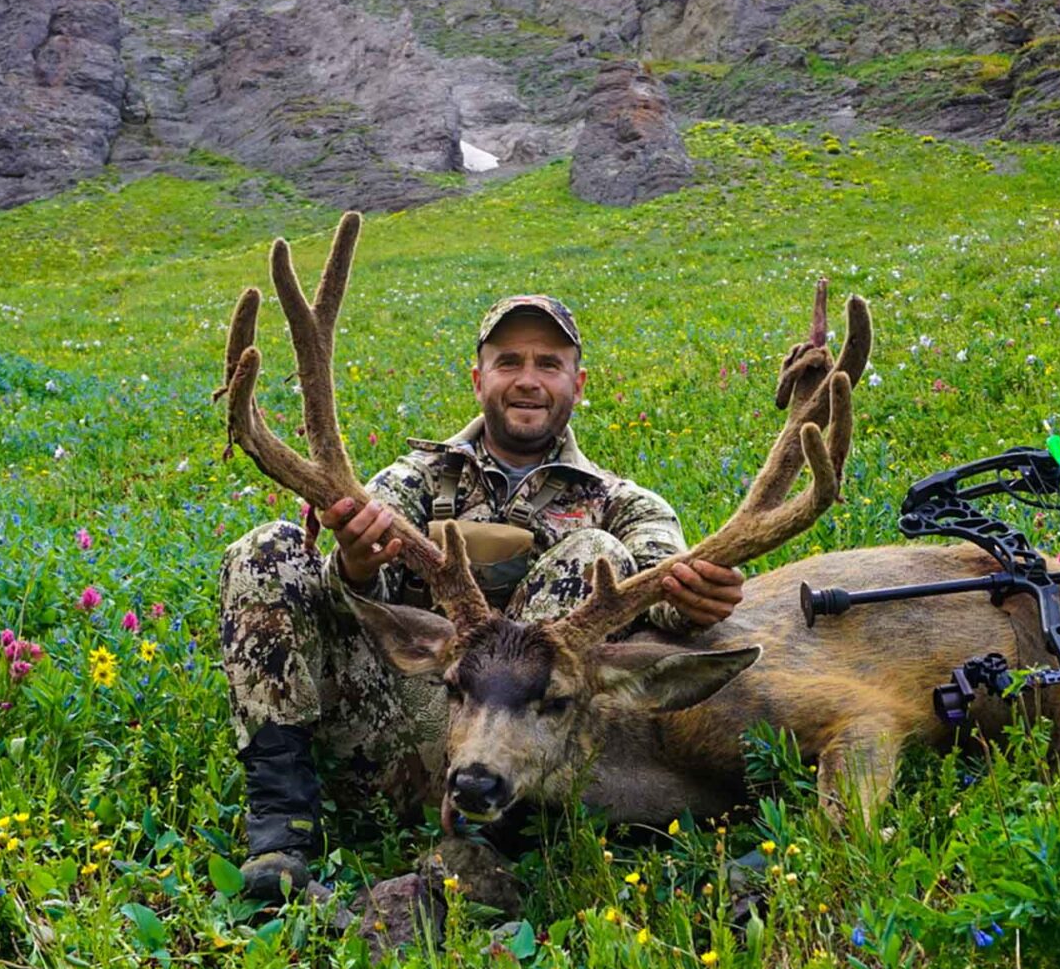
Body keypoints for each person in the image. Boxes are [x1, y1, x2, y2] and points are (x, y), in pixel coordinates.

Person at [218, 294, 745, 898]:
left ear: (578, 382)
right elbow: (351, 606)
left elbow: (661, 589)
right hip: (391, 733)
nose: (528, 380)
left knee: (591, 550)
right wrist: (357, 568)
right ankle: (284, 823)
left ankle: (484, 840)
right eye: (508, 361)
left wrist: (692, 597)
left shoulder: (626, 505)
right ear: (479, 378)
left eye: (548, 364)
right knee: (270, 547)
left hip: (520, 763)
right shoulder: (411, 481)